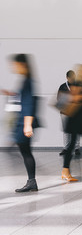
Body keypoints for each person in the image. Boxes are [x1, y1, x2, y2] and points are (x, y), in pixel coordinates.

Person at [1, 54, 40, 192]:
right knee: (25, 151)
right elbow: (23, 99)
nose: (13, 67)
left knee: (25, 151)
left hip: (23, 123)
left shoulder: (27, 81)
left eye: (15, 64)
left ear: (22, 65)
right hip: (22, 122)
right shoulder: (26, 80)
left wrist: (27, 124)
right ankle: (31, 181)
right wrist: (10, 93)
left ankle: (31, 181)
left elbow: (28, 103)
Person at [57, 70, 81, 157]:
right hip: (65, 112)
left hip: (76, 112)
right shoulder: (63, 87)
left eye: (73, 78)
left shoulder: (78, 86)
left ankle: (77, 148)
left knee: (76, 130)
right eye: (70, 78)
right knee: (66, 130)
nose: (72, 79)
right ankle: (66, 148)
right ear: (67, 78)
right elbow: (59, 100)